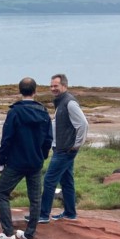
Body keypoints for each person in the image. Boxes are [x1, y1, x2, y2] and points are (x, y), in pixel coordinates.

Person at [0, 78, 53, 239]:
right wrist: (42, 155)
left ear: (20, 91)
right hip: (35, 162)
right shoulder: (44, 112)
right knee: (35, 199)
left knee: (1, 193)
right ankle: (29, 235)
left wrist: (1, 161)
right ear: (35, 91)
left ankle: (8, 233)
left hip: (16, 162)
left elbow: (7, 139)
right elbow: (48, 139)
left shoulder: (15, 112)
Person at [37, 74, 88, 223]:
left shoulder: (69, 103)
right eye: (51, 86)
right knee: (67, 181)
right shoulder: (60, 102)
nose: (53, 88)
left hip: (65, 150)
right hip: (61, 148)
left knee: (49, 180)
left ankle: (43, 215)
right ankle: (70, 213)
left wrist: (77, 145)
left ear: (64, 86)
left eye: (56, 86)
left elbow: (83, 124)